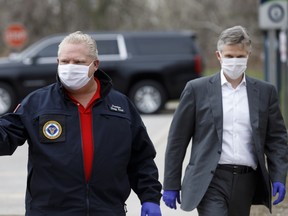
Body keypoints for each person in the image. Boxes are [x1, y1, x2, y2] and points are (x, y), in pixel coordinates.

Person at [0, 31, 162, 216]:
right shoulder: (37, 103)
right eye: (65, 61)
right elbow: (5, 135)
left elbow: (141, 158)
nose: (70, 67)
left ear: (95, 65)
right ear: (57, 63)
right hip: (49, 211)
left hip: (106, 210)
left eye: (78, 62)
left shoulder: (121, 107)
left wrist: (150, 197)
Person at [162, 25, 288, 216]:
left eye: (240, 56)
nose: (234, 61)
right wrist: (171, 183)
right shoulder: (197, 89)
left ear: (248, 55)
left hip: (246, 180)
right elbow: (177, 140)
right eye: (229, 56)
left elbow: (277, 138)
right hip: (210, 180)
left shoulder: (265, 92)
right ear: (219, 56)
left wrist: (278, 176)